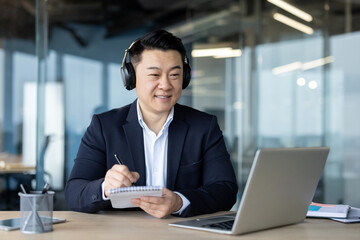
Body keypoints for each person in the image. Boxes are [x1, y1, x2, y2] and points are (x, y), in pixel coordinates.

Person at [65, 30, 238, 218]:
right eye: (154, 74)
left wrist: (179, 202)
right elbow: (74, 193)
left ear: (185, 78)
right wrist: (105, 187)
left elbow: (225, 190)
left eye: (174, 75)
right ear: (131, 78)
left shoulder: (204, 127)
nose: (165, 85)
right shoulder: (104, 127)